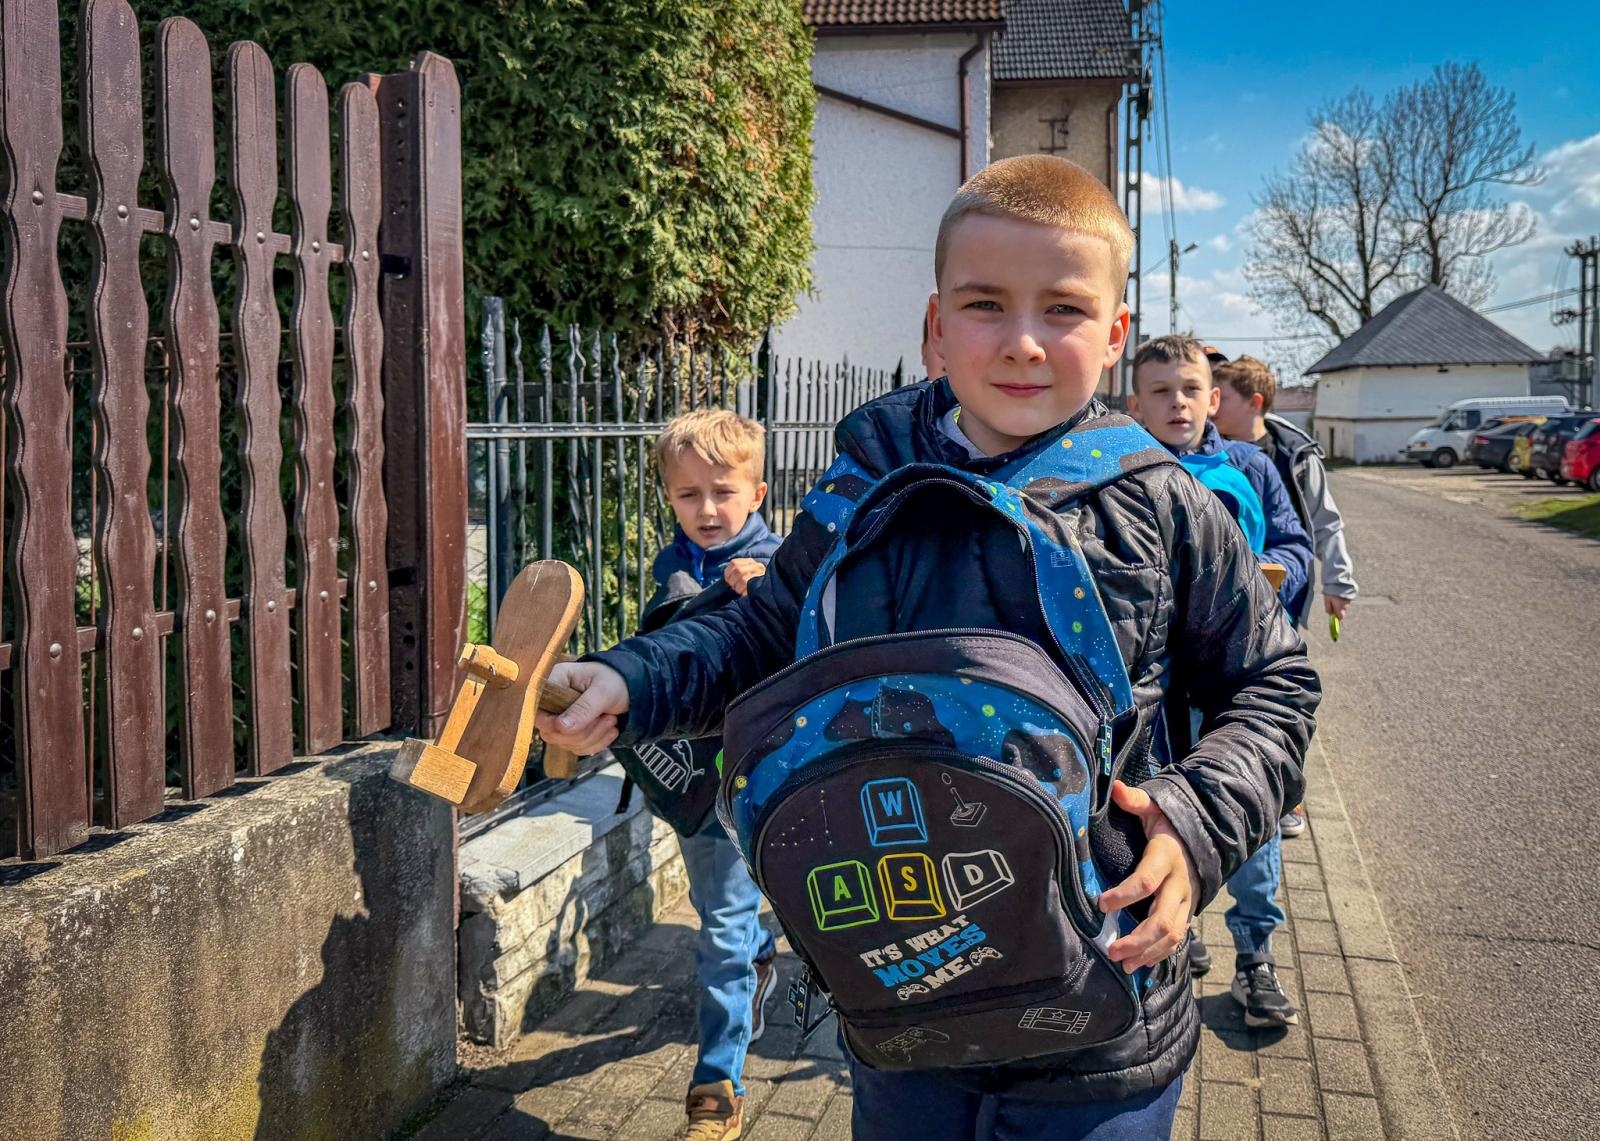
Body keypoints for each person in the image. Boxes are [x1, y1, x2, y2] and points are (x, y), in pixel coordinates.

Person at [538, 156, 1318, 1139]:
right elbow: (761, 633)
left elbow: (1274, 682)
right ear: (936, 325)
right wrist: (632, 677)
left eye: (1064, 309)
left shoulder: (1162, 502)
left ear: (1116, 334)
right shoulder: (860, 484)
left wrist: (1197, 821)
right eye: (986, 304)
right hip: (898, 990)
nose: (1024, 341)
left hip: (1102, 1007)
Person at [1128, 335, 1314, 1029]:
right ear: (1135, 405)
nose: (1177, 403)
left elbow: (1296, 546)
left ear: (1213, 399)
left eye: (1190, 389)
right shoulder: (1121, 473)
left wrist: (1266, 582)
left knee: (1247, 814)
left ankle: (1256, 955)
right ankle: (1179, 924)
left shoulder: (1252, 468)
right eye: (1160, 391)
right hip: (1157, 689)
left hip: (1235, 680)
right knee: (1159, 807)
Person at [628, 410, 782, 1141]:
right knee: (723, 911)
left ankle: (717, 1080)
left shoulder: (782, 564)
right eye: (688, 494)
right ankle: (758, 958)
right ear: (669, 496)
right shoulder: (674, 563)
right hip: (696, 781)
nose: (708, 509)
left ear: (758, 492)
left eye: (724, 491)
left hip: (765, 775)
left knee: (723, 926)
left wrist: (772, 591)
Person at [1212, 352, 1358, 842]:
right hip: (1227, 603)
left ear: (1253, 402)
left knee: (1283, 696)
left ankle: (1286, 795)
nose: (1212, 403)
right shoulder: (1213, 454)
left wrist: (1338, 583)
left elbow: (1325, 523)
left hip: (1284, 597)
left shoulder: (1293, 454)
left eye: (1223, 396)